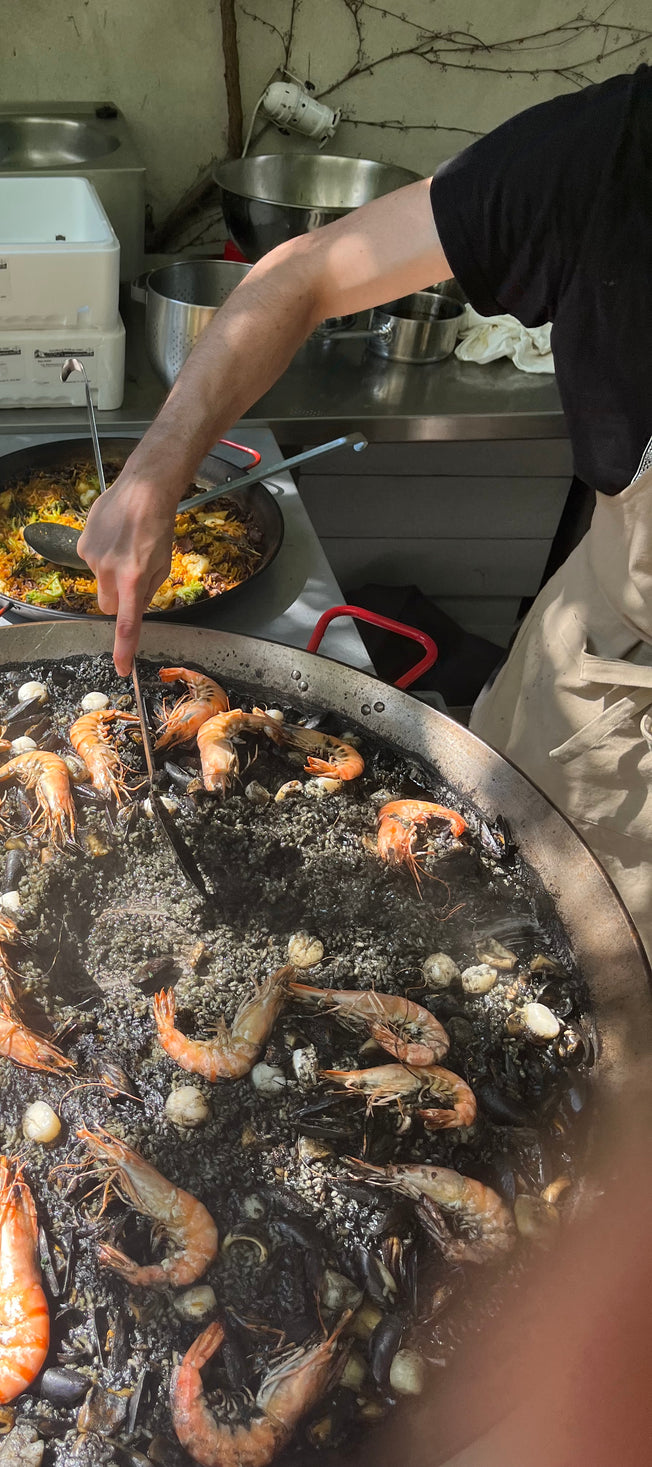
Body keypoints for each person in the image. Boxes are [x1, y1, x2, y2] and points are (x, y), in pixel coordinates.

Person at [78, 66, 652, 956]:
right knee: (464, 903)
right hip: (600, 657)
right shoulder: (618, 149)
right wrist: (155, 470)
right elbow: (302, 274)